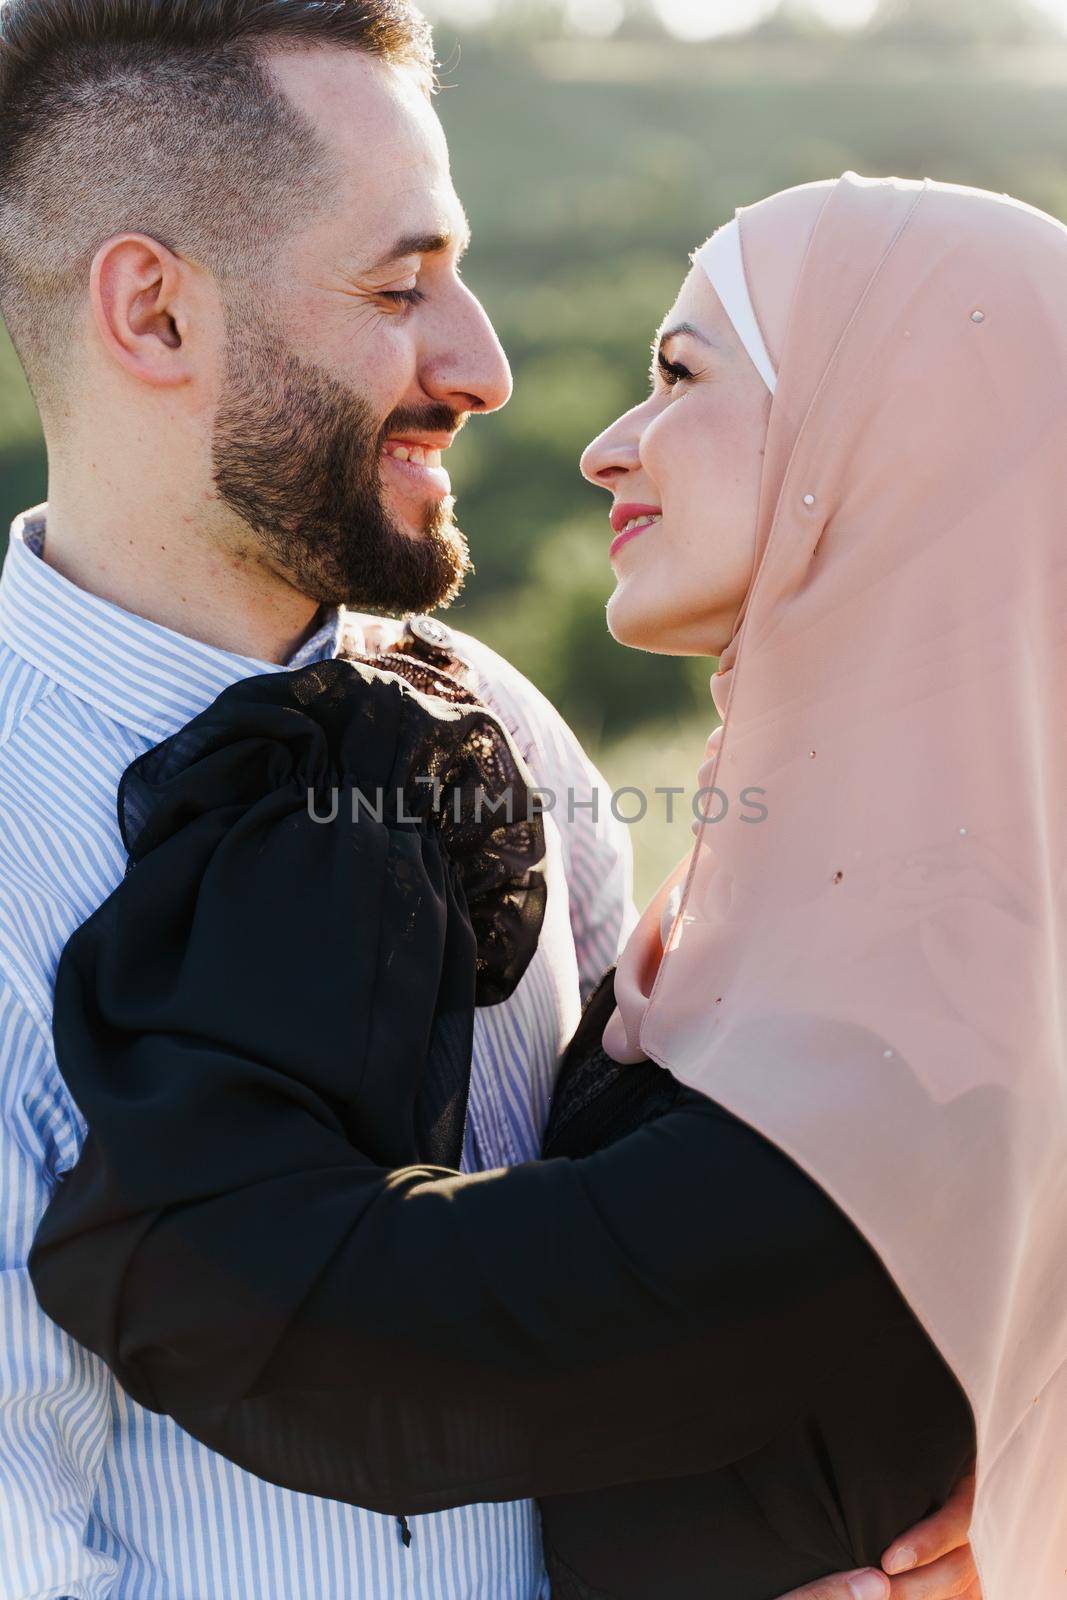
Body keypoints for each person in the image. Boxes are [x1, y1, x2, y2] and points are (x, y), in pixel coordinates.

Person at [0, 0, 977, 1595]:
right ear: (157, 315)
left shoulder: (502, 731)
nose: (489, 366)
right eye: (401, 289)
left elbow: (637, 1287)